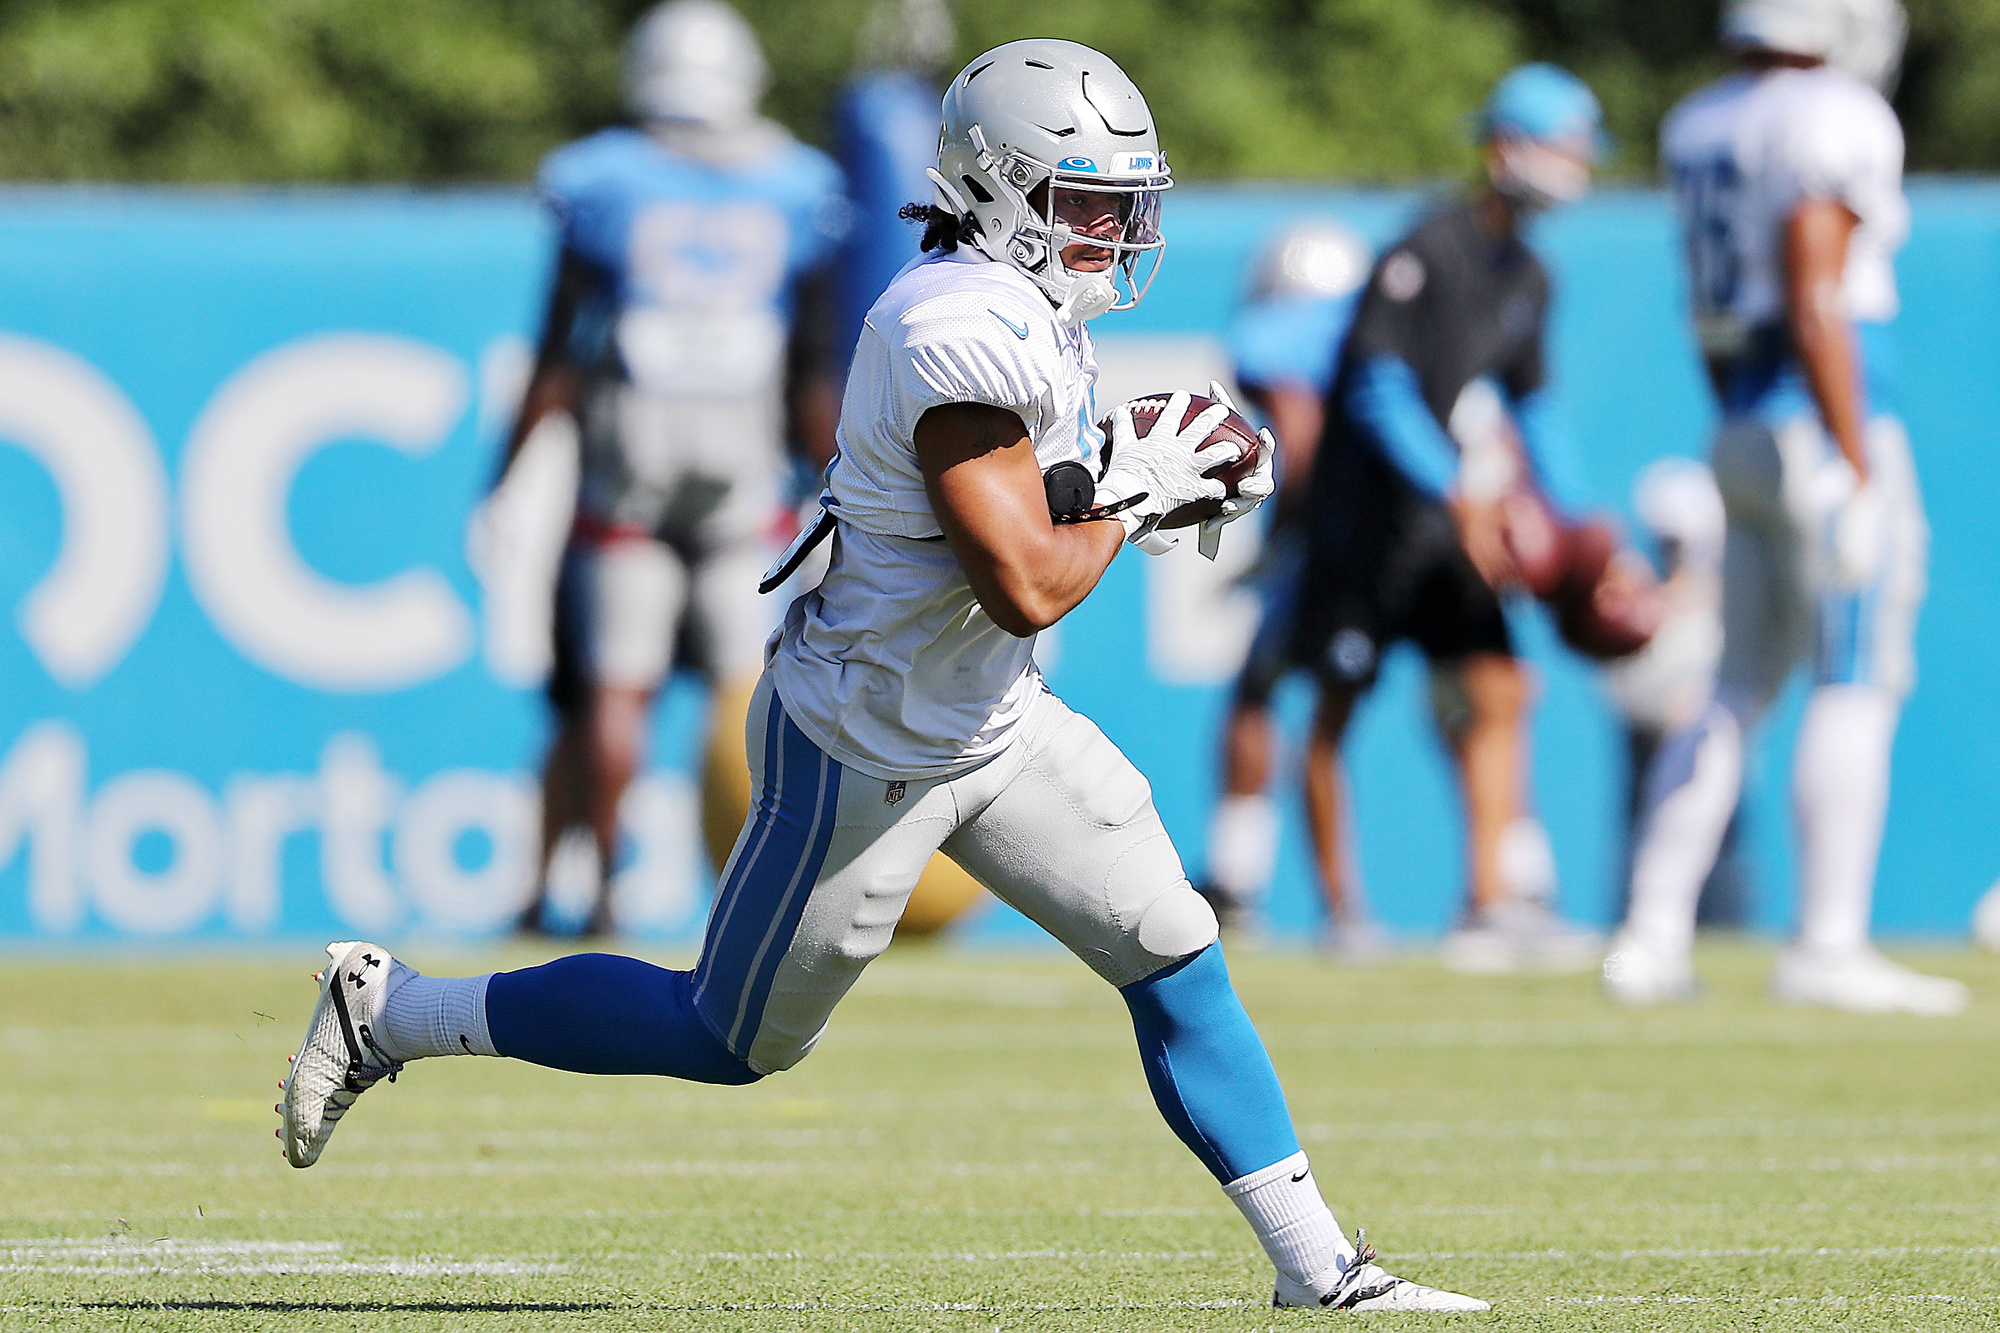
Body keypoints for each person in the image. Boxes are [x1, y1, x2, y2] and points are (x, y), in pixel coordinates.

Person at [279, 39, 1487, 1314]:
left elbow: (1022, 514)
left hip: (994, 722)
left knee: (1174, 949)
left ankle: (1322, 1273)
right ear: (1005, 187)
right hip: (865, 740)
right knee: (725, 1037)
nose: (1116, 230)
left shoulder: (1022, 314)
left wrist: (1127, 471)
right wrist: (1136, 487)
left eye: (1124, 203)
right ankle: (394, 1009)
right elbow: (1021, 576)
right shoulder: (950, 326)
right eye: (1087, 202)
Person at [1604, 0, 1967, 1014]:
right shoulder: (1832, 115)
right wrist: (1853, 461)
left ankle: (1648, 931)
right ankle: (1825, 941)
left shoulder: (1700, 118)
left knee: (1732, 685)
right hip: (1817, 426)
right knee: (1848, 679)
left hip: (1738, 422)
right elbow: (1815, 295)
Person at [496, 0, 850, 935]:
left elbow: (557, 349)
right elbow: (813, 365)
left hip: (627, 475)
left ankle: (604, 889)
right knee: (744, 699)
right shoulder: (796, 184)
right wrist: (841, 480)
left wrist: (503, 476)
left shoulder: (605, 179)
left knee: (615, 688)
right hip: (744, 484)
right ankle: (747, 899)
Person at [1288, 65, 1606, 974]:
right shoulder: (1426, 246)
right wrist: (1460, 486)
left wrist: (1579, 526)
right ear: (1507, 146)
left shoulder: (1532, 275)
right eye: (1565, 147)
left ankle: (1490, 900)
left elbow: (1534, 406)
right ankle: (1342, 907)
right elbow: (1377, 385)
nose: (1577, 167)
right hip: (1369, 515)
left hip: (1446, 524)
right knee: (1339, 700)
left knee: (1502, 686)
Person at [1195, 220, 1385, 954]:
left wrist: (1292, 535)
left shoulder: (1282, 334)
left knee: (1273, 702)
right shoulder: (1379, 328)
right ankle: (1510, 884)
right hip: (1415, 534)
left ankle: (1297, 895)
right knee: (1475, 703)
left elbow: (1298, 444)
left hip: (1339, 546)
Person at [1603, 459, 1753, 930]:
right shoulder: (1635, 595)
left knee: (1720, 849)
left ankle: (1721, 941)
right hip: (1647, 741)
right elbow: (1620, 681)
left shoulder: (1731, 596)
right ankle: (1643, 939)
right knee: (1644, 846)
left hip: (1708, 734)